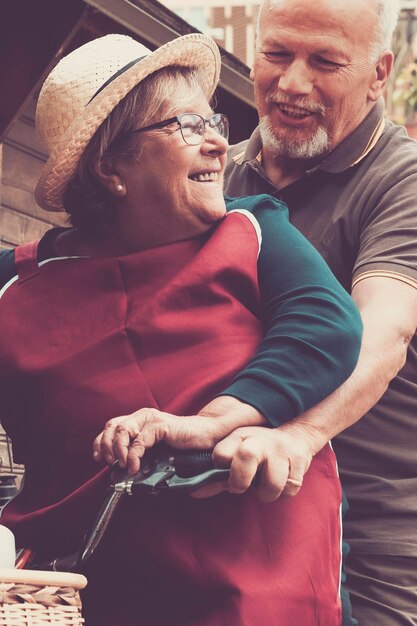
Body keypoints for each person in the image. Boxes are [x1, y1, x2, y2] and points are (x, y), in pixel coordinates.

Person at [0, 33, 362, 626]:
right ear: (110, 166)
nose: (221, 142)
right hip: (90, 590)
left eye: (213, 119)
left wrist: (210, 423)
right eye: (187, 125)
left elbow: (325, 328)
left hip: (266, 581)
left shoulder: (254, 229)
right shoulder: (15, 285)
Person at [223, 1, 417, 625]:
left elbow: (384, 329)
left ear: (379, 73)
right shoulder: (212, 174)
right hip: (223, 502)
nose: (293, 83)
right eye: (277, 54)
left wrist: (301, 434)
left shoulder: (402, 182)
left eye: (326, 62)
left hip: (371, 521)